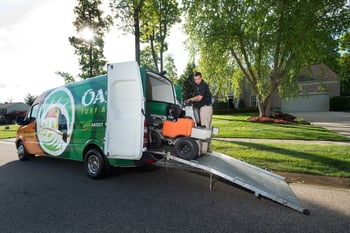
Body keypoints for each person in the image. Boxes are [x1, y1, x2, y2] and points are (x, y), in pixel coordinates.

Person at [185, 72, 213, 153]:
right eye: (195, 79)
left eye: (198, 79)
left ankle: (204, 150)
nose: (197, 81)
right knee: (208, 128)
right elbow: (200, 98)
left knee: (205, 128)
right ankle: (207, 149)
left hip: (205, 108)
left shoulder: (202, 85)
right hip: (207, 107)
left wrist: (190, 99)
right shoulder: (201, 86)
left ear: (201, 78)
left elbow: (200, 98)